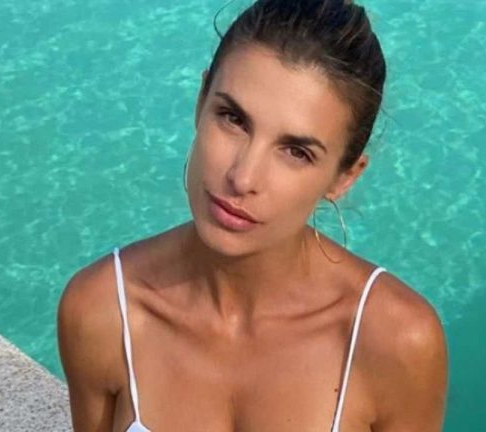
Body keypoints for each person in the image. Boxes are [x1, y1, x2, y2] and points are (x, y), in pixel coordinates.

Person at [57, 0, 448, 430]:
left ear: (344, 177)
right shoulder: (102, 311)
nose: (242, 177)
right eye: (233, 119)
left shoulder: (395, 341)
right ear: (200, 101)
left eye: (296, 151)